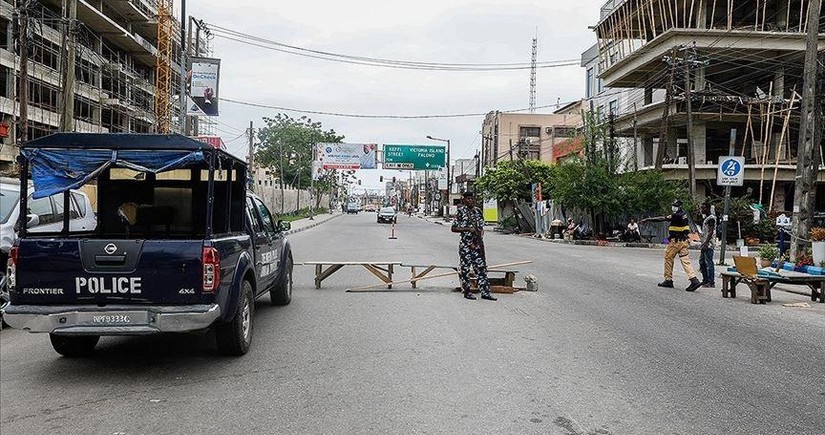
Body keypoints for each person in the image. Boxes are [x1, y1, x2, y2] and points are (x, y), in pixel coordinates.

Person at [641, 199, 702, 292]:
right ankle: (694, 279)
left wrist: (648, 219)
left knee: (668, 258)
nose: (673, 207)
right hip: (684, 241)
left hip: (675, 242)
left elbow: (662, 219)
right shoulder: (684, 215)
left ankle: (668, 280)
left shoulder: (677, 215)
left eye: (675, 206)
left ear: (679, 207)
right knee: (685, 260)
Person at [451, 191, 496, 301]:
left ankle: (485, 292)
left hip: (477, 245)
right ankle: (467, 291)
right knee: (465, 269)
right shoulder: (461, 212)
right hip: (466, 245)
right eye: (468, 199)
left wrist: (479, 237)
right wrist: (467, 229)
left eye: (472, 198)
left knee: (481, 269)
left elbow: (481, 227)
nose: (470, 200)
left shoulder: (477, 211)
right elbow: (453, 228)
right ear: (464, 200)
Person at [698, 203, 717, 288]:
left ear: (708, 208)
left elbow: (711, 232)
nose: (702, 210)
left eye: (703, 208)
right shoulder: (706, 218)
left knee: (709, 262)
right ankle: (705, 280)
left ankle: (711, 281)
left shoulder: (711, 219)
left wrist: (706, 243)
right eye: (701, 208)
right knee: (702, 262)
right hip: (704, 243)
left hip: (708, 244)